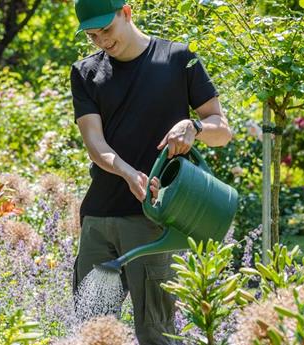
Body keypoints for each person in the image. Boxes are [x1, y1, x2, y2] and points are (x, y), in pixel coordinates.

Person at [70, 0, 233, 343]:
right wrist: (129, 173)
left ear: (126, 13)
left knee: (156, 334)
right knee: (91, 334)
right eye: (92, 35)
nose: (102, 41)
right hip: (99, 220)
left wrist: (194, 126)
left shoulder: (177, 59)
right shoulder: (85, 72)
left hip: (154, 221)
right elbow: (96, 145)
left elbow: (222, 129)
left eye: (107, 30)